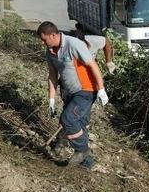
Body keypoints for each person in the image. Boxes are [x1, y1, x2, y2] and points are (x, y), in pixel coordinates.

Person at [37, 21, 107, 169]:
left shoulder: (73, 44)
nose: (43, 43)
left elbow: (92, 64)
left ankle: (81, 150)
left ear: (53, 35)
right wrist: (51, 99)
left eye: (44, 39)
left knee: (68, 119)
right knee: (80, 124)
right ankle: (87, 164)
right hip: (69, 92)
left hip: (86, 90)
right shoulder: (50, 52)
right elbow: (52, 76)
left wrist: (101, 89)